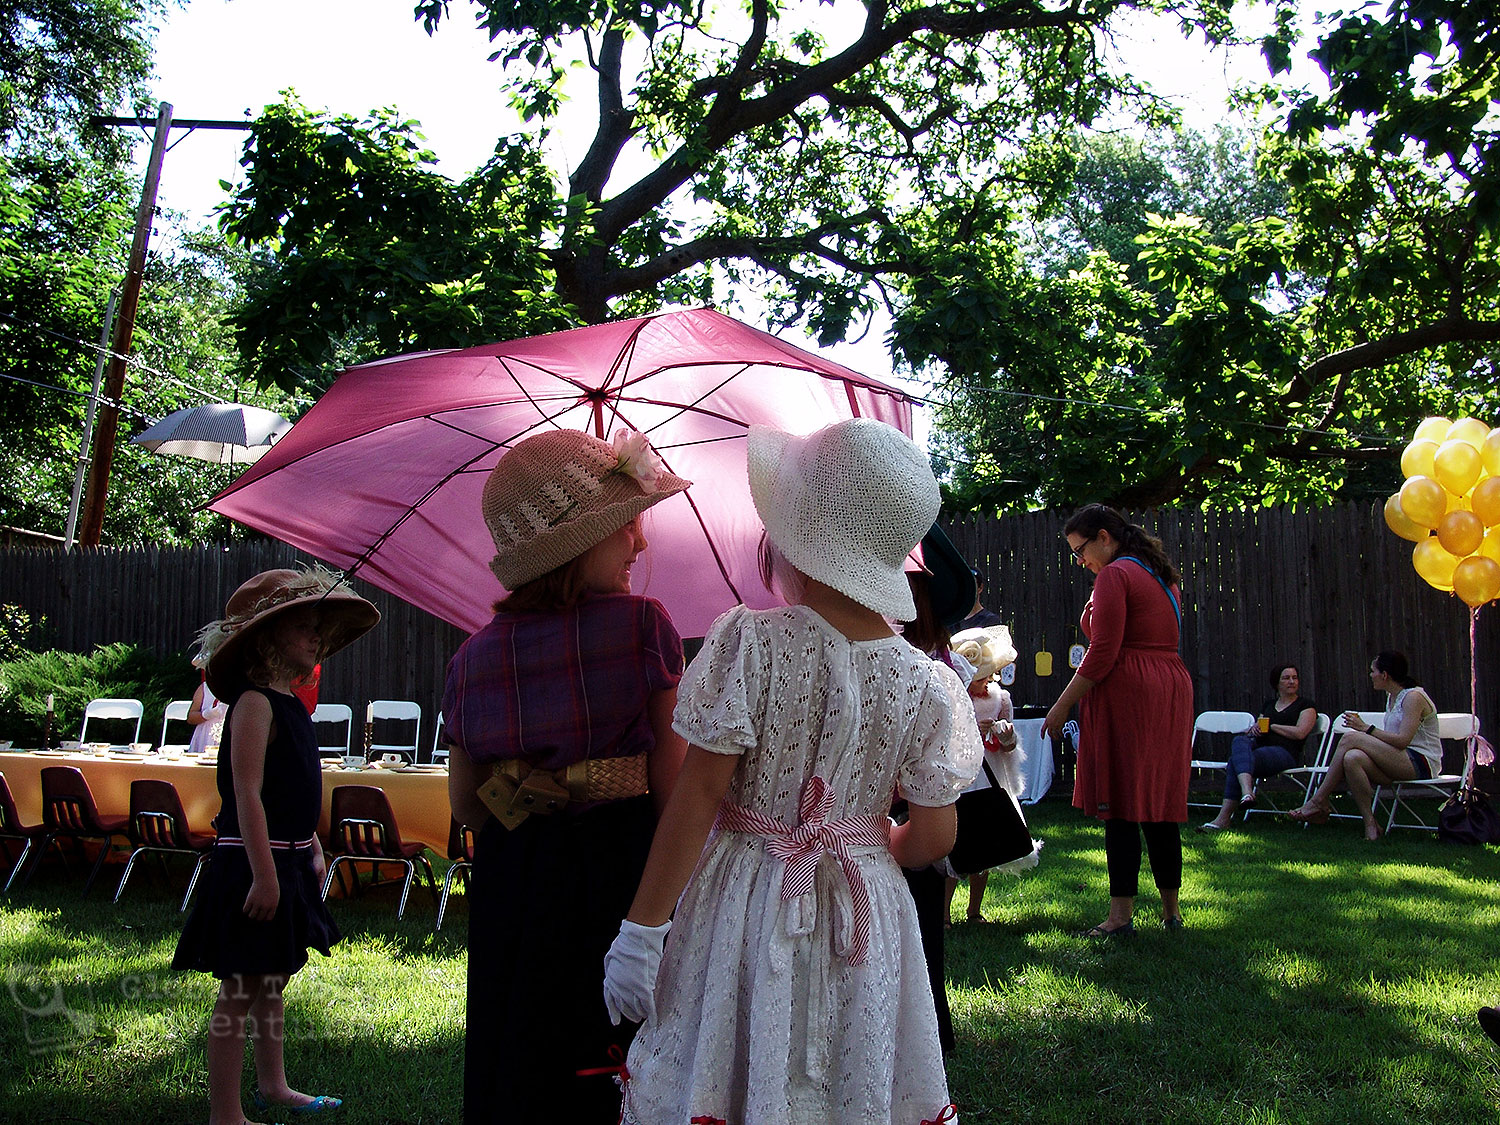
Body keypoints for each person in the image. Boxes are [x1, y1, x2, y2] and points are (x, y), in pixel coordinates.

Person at [601, 418, 981, 1124]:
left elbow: (699, 792)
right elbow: (933, 835)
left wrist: (642, 929)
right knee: (848, 1064)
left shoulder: (751, 642)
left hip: (749, 893)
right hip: (866, 899)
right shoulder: (926, 683)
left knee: (737, 1053)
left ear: (793, 536)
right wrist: (878, 843)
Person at [441, 428, 691, 1123]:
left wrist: (532, 779)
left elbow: (467, 805)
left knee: (520, 1043)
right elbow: (675, 793)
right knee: (613, 1055)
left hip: (514, 874)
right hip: (616, 870)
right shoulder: (644, 626)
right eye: (627, 527)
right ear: (582, 543)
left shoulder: (471, 659)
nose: (639, 545)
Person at [172, 566, 380, 1125]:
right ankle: (225, 1113)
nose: (318, 637)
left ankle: (274, 1085)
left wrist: (310, 843)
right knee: (239, 986)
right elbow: (246, 792)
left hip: (284, 859)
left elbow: (287, 790)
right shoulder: (254, 704)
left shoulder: (291, 702)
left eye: (319, 628)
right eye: (305, 628)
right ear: (266, 638)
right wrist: (264, 874)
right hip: (250, 863)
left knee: (271, 981)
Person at [1044, 503, 1192, 937]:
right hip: (1170, 686)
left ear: (1104, 536)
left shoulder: (1115, 575)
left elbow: (1103, 651)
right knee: (1160, 805)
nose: (1081, 561)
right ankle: (1171, 912)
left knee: (1121, 805)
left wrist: (1062, 705)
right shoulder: (1160, 575)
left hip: (1132, 691)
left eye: (1081, 550)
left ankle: (1120, 916)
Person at [1289, 651, 1439, 840]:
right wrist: (1366, 732)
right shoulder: (1392, 696)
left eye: (1373, 671)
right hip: (1398, 759)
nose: (1370, 675)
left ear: (1385, 675)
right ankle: (1370, 823)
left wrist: (1365, 729)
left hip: (1421, 762)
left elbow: (1402, 740)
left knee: (1350, 739)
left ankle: (1319, 800)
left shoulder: (1413, 697)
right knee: (1352, 758)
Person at [945, 623, 1034, 926]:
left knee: (983, 845)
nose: (981, 684)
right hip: (962, 779)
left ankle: (974, 911)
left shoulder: (1000, 699)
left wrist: (1004, 734)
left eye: (985, 676)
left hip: (990, 778)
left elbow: (1010, 745)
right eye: (976, 678)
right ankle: (944, 912)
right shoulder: (955, 699)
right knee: (956, 844)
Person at [1198, 663, 1317, 832]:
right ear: (1277, 683)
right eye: (1286, 678)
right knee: (1240, 741)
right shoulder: (1269, 705)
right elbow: (1260, 729)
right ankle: (1246, 793)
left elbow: (1300, 733)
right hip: (1260, 747)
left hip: (1285, 753)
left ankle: (1223, 818)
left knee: (1235, 762)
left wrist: (1273, 726)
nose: (1292, 681)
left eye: (1294, 678)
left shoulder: (1305, 706)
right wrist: (1255, 729)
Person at [187, 653, 228, 756]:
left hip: (227, 732)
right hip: (205, 736)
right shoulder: (204, 688)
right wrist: (206, 714)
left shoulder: (238, 689)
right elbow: (190, 717)